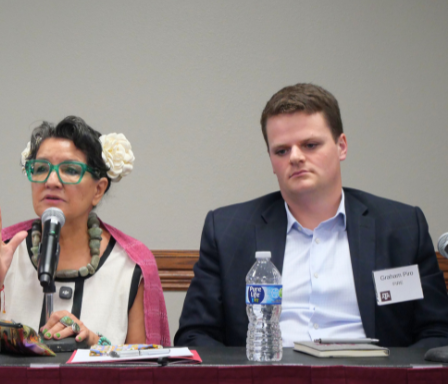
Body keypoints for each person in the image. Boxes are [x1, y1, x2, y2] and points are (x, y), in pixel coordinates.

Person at [175, 83, 448, 348]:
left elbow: (436, 331)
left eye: (310, 145)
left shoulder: (400, 227)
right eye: (281, 150)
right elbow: (195, 335)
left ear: (341, 146)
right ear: (271, 160)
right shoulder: (227, 231)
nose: (295, 157)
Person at [0, 116, 170, 346]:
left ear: (98, 189)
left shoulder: (131, 265)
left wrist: (95, 343)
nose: (52, 180)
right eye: (40, 168)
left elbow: (143, 373)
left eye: (69, 169)